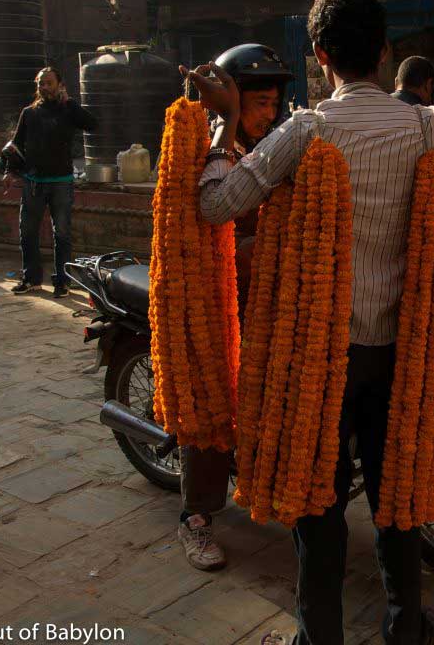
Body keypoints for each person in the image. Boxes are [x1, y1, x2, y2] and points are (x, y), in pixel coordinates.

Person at [184, 0, 434, 645]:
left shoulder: (304, 130)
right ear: (384, 51)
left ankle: (319, 636)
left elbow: (216, 204)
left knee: (315, 501)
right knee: (397, 496)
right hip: (401, 355)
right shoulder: (426, 127)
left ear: (321, 56)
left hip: (316, 358)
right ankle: (406, 625)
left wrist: (217, 125)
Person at [175, 43, 294, 573]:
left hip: (263, 303)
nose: (269, 114)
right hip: (211, 304)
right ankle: (196, 519)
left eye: (274, 104)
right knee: (211, 411)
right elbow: (205, 214)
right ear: (230, 98)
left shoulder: (272, 147)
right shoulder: (195, 141)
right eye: (258, 103)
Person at [1, 67, 97, 298]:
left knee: (62, 233)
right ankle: (31, 279)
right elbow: (17, 145)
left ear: (59, 85)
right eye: (40, 84)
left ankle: (62, 282)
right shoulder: (29, 113)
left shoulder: (68, 110)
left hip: (61, 182)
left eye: (49, 83)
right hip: (33, 182)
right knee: (28, 232)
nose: (44, 87)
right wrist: (9, 172)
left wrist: (71, 104)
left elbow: (92, 124)